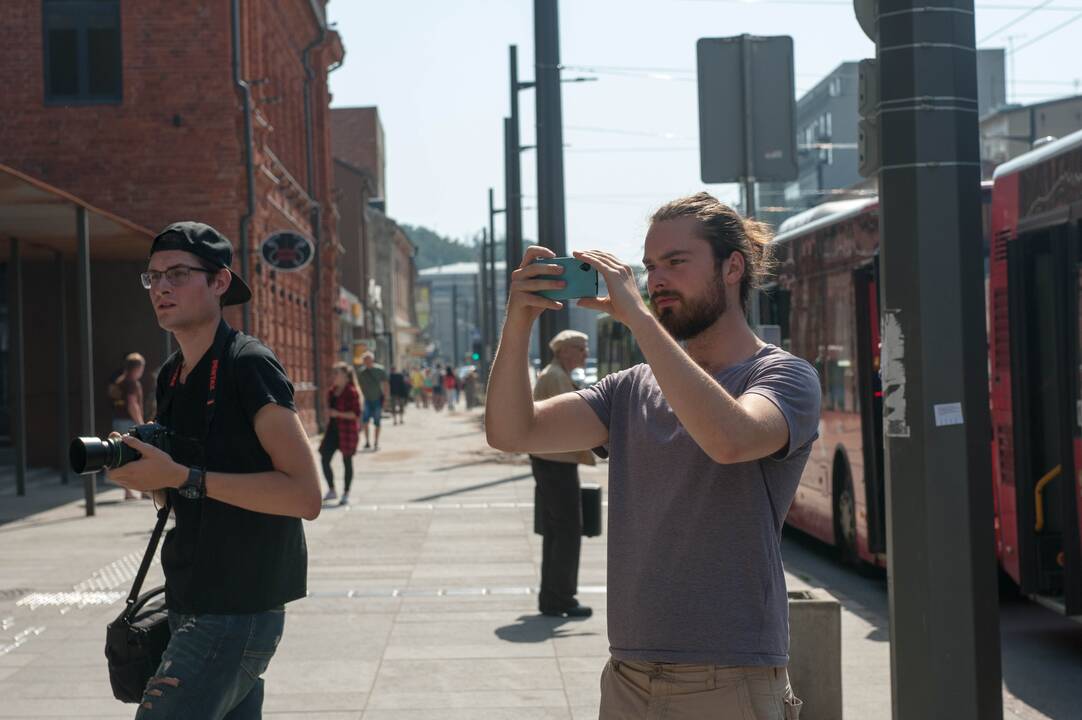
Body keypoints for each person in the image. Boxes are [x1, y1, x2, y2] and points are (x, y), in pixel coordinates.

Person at [486, 193, 820, 718]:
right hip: (628, 676)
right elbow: (511, 430)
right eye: (648, 266)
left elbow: (730, 438)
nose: (657, 279)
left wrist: (638, 319)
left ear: (733, 267)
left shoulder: (783, 376)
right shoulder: (630, 387)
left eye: (676, 262)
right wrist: (519, 319)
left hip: (729, 674)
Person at [109, 221, 322, 719]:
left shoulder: (248, 365)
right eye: (153, 276)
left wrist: (184, 476)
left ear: (220, 282)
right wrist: (147, 476)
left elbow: (305, 495)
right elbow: (180, 491)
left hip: (238, 607)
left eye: (179, 274)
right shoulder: (172, 374)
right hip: (189, 596)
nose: (161, 287)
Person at [530, 329, 595, 618]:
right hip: (556, 462)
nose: (585, 354)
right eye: (581, 348)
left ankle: (552, 596)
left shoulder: (554, 374)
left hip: (552, 459)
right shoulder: (555, 377)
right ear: (565, 350)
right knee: (567, 531)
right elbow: (572, 419)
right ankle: (561, 597)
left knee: (557, 531)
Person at [320, 362, 361, 506]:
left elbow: (356, 414)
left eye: (336, 373)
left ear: (345, 376)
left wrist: (338, 413)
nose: (334, 376)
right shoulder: (332, 391)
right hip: (333, 430)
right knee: (324, 457)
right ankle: (332, 489)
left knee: (347, 461)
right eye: (334, 373)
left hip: (347, 431)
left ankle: (346, 492)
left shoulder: (352, 391)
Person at [108, 352, 148, 500]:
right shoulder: (132, 383)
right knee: (141, 455)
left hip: (118, 421)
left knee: (122, 458)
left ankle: (128, 492)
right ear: (137, 368)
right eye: (142, 368)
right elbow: (132, 404)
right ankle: (144, 490)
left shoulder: (119, 381)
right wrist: (141, 424)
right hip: (129, 423)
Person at [356, 352, 388, 450]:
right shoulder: (361, 372)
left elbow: (386, 383)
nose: (367, 362)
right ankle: (367, 441)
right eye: (365, 360)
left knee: (377, 421)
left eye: (368, 360)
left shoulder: (379, 370)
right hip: (366, 400)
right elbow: (357, 386)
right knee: (365, 421)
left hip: (377, 399)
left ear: (372, 360)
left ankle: (376, 442)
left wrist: (386, 398)